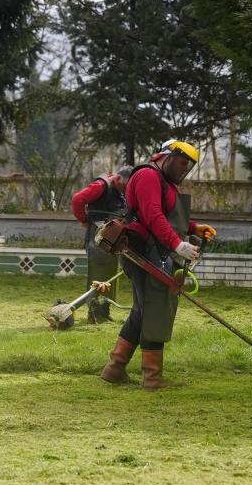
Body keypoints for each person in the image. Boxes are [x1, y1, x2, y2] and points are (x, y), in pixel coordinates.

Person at [101, 140, 217, 390]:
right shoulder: (147, 176)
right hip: (145, 252)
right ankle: (152, 378)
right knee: (155, 309)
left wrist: (194, 227)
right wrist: (178, 245)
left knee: (143, 310)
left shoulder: (165, 183)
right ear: (167, 156)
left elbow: (168, 216)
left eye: (188, 165)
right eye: (181, 162)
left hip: (157, 251)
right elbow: (152, 215)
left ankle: (114, 368)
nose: (183, 168)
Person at [71, 166, 133, 322]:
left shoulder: (118, 190)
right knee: (98, 274)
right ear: (118, 179)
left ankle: (104, 312)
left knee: (110, 275)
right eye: (125, 187)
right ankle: (94, 314)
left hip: (114, 239)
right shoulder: (100, 186)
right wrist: (84, 220)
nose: (126, 191)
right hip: (98, 237)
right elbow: (77, 199)